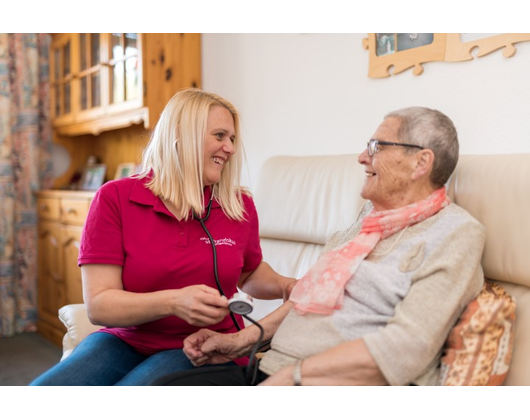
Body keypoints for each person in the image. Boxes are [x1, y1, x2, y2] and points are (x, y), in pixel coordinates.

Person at [152, 106, 486, 386]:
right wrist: (235, 342)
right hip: (275, 368)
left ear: (420, 163)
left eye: (376, 147)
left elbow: (407, 348)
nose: (361, 158)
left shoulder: (457, 234)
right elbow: (308, 296)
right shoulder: (370, 218)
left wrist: (294, 377)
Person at [30, 88, 296, 386]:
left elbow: (249, 272)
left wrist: (287, 285)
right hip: (125, 339)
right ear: (182, 136)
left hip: (203, 344)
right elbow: (99, 305)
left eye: (232, 139)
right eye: (220, 135)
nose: (230, 148)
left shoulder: (238, 204)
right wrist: (173, 302)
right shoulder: (115, 198)